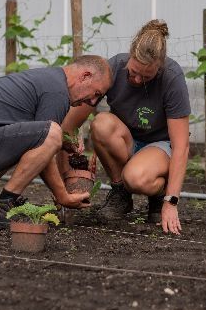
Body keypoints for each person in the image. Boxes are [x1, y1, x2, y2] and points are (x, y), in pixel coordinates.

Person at [0, 55, 113, 231]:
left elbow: (31, 138)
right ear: (85, 76)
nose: (92, 102)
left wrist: (61, 143)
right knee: (52, 134)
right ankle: (3, 205)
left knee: (39, 135)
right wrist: (62, 196)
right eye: (96, 94)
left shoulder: (48, 79)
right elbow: (46, 145)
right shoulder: (57, 92)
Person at [61, 20, 190, 235]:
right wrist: (67, 176)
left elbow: (181, 146)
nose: (138, 79)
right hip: (127, 138)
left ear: (159, 67)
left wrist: (172, 201)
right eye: (133, 72)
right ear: (129, 56)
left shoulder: (172, 77)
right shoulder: (114, 68)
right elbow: (69, 125)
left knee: (137, 178)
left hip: (160, 144)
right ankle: (120, 192)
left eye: (146, 76)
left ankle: (158, 196)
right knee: (101, 123)